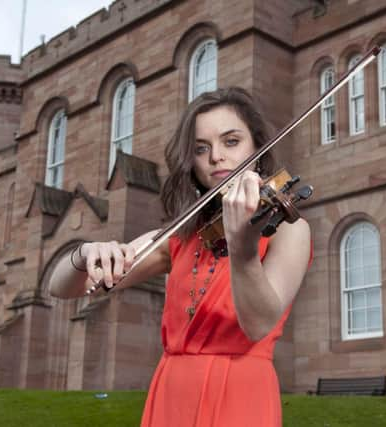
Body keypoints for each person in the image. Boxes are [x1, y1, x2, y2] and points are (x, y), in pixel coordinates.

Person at [49, 87, 311, 426]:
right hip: (171, 394)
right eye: (201, 148)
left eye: (231, 142)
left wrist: (243, 249)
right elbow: (60, 287)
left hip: (240, 396)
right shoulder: (183, 234)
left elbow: (259, 324)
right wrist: (85, 254)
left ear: (257, 149)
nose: (216, 156)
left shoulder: (290, 230)